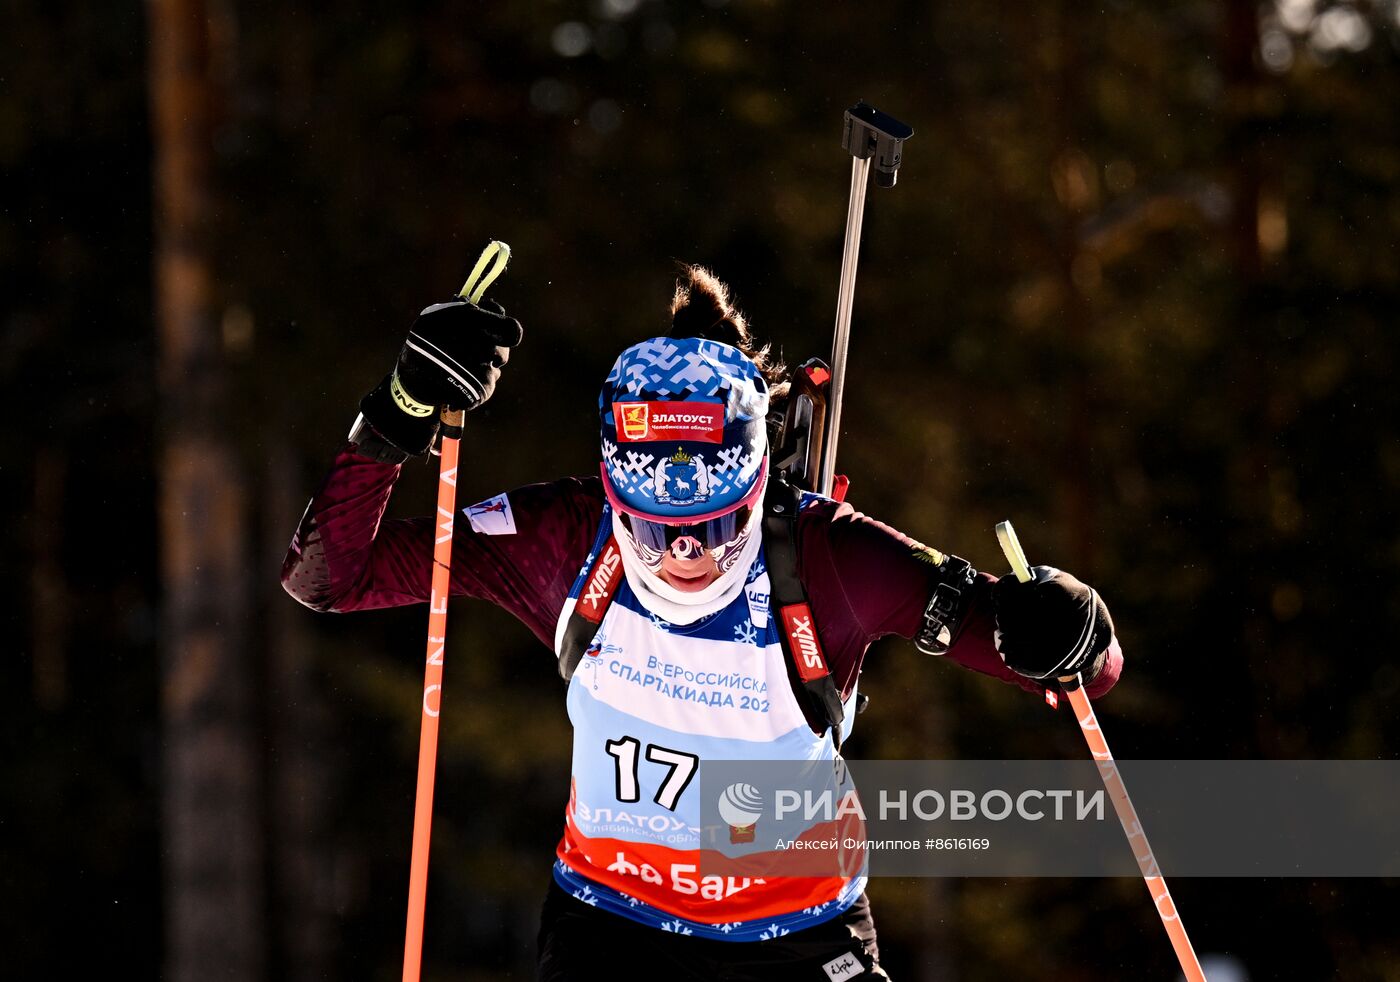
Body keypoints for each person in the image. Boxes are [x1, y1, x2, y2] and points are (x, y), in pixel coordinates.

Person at [281, 265, 1122, 981]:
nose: (686, 553)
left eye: (717, 523)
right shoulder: (563, 537)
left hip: (799, 939)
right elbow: (327, 578)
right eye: (652, 525)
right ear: (614, 492)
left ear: (757, 485)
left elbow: (1075, 665)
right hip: (612, 929)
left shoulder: (831, 558)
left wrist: (1063, 627)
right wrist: (399, 411)